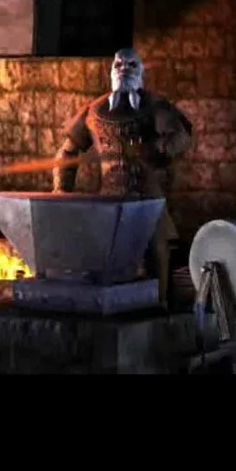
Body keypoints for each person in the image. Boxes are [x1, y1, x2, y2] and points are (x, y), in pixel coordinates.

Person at [52, 48, 193, 308]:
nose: (124, 70)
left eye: (131, 65)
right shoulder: (93, 111)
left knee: (156, 258)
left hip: (147, 201)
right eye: (118, 64)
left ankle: (158, 309)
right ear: (111, 70)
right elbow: (67, 151)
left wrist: (157, 150)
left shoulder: (155, 107)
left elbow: (180, 137)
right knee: (105, 265)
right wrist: (61, 189)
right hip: (108, 204)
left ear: (141, 71)